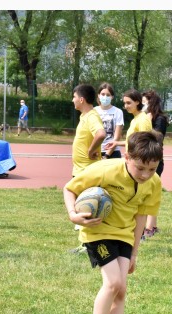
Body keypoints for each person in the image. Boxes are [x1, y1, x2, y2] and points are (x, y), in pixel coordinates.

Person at [63, 130, 163, 314]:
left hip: (125, 236)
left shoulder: (153, 183)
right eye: (140, 168)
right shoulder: (106, 170)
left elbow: (142, 216)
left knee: (121, 291)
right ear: (127, 156)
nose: (145, 174)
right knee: (113, 283)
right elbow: (69, 188)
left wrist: (135, 253)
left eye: (152, 169)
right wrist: (73, 215)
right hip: (97, 232)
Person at [68, 84, 106, 254]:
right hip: (80, 169)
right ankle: (85, 243)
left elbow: (101, 134)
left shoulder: (91, 116)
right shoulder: (84, 115)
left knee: (86, 207)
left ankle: (88, 245)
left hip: (87, 170)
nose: (73, 100)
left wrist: (91, 150)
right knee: (81, 206)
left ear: (81, 99)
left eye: (74, 97)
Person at [141, 89, 169, 239]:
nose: (143, 105)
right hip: (144, 158)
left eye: (145, 102)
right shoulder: (143, 117)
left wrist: (147, 123)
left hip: (155, 160)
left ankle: (149, 228)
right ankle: (154, 225)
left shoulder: (160, 119)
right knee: (147, 192)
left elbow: (157, 137)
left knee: (150, 193)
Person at [95, 83, 124, 159]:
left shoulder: (118, 112)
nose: (105, 97)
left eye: (108, 95)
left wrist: (107, 155)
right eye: (103, 94)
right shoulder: (93, 111)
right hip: (96, 152)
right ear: (98, 95)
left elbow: (117, 137)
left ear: (112, 97)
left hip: (113, 152)